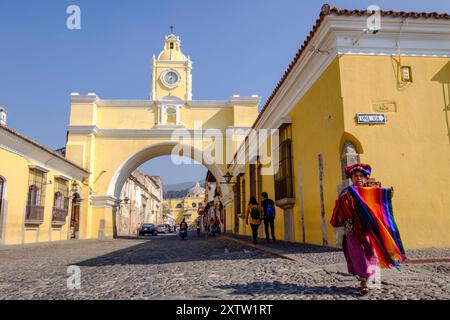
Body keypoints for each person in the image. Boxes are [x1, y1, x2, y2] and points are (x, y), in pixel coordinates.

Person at [330, 163, 378, 296]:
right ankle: (363, 281)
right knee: (357, 255)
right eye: (355, 176)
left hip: (368, 229)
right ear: (351, 178)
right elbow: (339, 209)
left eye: (361, 176)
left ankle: (371, 276)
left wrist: (387, 195)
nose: (358, 178)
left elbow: (379, 207)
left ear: (365, 178)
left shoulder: (371, 191)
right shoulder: (346, 192)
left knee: (371, 253)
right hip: (352, 230)